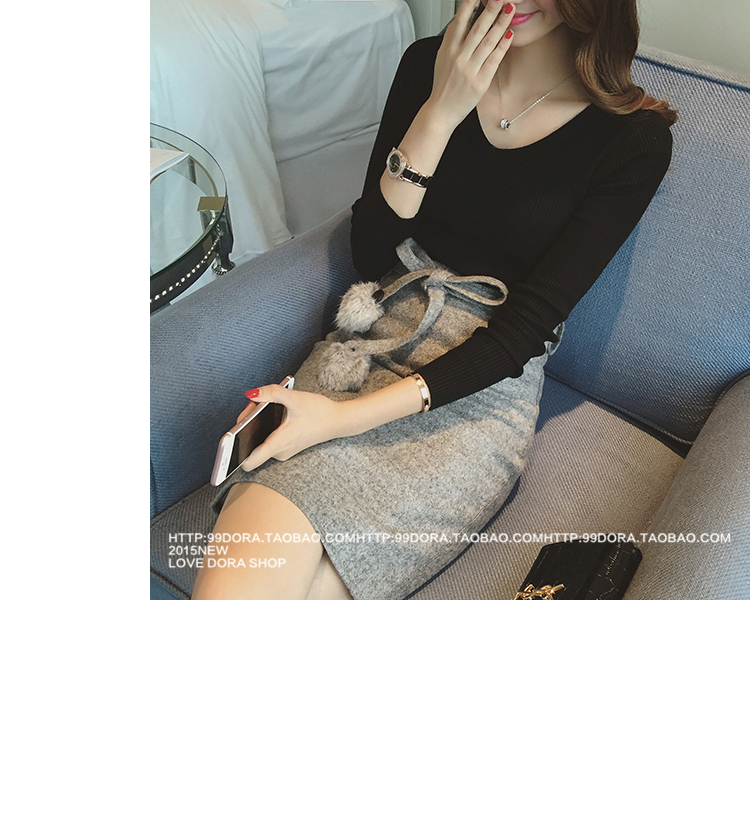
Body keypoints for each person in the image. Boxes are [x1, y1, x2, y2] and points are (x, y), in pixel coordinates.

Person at [192, 0, 676, 600]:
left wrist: (338, 419)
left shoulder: (633, 140)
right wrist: (441, 111)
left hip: (479, 389)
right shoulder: (429, 65)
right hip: (372, 336)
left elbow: (523, 333)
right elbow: (370, 251)